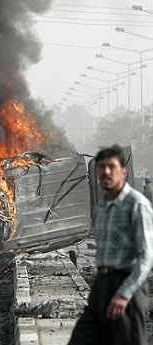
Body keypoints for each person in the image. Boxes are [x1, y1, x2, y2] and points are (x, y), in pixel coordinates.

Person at [68, 145, 153, 345]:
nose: (106, 172)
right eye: (102, 167)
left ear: (123, 172)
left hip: (127, 287)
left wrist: (124, 294)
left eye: (111, 167)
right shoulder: (101, 208)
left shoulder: (137, 206)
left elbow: (146, 257)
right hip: (101, 285)